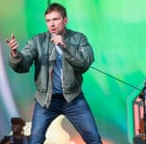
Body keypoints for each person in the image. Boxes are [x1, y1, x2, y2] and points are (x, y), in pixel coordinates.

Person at [6, 2, 102, 144]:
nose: (52, 24)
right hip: (46, 100)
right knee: (35, 139)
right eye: (48, 20)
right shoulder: (37, 41)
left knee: (93, 138)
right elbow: (23, 65)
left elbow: (84, 64)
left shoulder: (78, 38)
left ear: (65, 20)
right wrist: (15, 54)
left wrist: (65, 46)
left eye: (56, 19)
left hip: (73, 99)